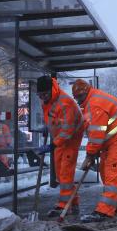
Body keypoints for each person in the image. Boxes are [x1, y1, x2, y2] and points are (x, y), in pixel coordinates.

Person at [71, 79, 117, 223]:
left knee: (112, 174)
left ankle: (104, 211)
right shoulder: (91, 102)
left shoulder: (95, 104)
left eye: (78, 98)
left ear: (85, 93)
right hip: (113, 141)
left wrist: (90, 155)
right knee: (105, 173)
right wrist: (93, 152)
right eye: (75, 98)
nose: (77, 101)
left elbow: (97, 133)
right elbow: (96, 132)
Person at [36, 75, 84, 216]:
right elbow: (52, 118)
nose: (42, 97)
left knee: (65, 172)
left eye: (44, 94)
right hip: (59, 139)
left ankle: (63, 206)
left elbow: (68, 130)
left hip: (71, 138)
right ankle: (73, 203)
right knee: (59, 172)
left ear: (52, 89)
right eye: (40, 94)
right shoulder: (46, 101)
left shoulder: (65, 103)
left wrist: (52, 145)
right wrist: (48, 127)